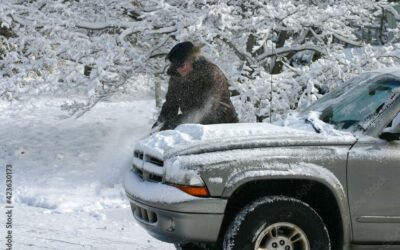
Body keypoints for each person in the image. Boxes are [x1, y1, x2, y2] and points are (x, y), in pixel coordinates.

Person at [152, 41, 238, 131]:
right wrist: (158, 128)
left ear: (193, 59)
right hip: (194, 128)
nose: (180, 69)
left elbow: (210, 107)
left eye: (182, 64)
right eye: (176, 66)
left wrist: (177, 122)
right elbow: (170, 106)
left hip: (222, 126)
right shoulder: (176, 78)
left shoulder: (211, 73)